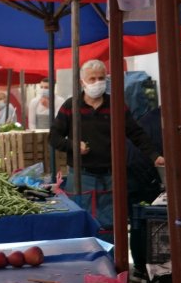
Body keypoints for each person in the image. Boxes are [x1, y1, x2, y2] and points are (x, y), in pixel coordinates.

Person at [50, 59, 164, 234]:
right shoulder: (70, 106)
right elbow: (54, 137)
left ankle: (111, 260)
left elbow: (136, 133)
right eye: (92, 79)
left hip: (112, 175)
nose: (97, 83)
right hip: (81, 176)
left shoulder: (116, 105)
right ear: (82, 82)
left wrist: (155, 155)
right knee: (82, 223)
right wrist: (73, 146)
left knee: (111, 226)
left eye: (101, 78)